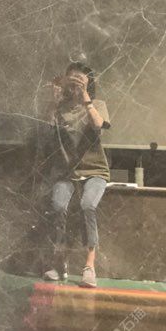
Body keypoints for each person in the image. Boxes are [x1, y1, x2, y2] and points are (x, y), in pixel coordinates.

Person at [43, 62, 111, 289]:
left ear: (89, 84)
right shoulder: (60, 108)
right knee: (58, 206)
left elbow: (98, 125)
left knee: (88, 205)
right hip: (66, 172)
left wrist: (85, 98)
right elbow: (48, 129)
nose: (74, 85)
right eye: (71, 80)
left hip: (95, 170)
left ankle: (89, 266)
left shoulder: (98, 104)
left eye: (80, 81)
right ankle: (59, 264)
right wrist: (54, 101)